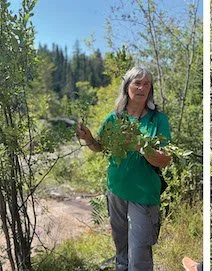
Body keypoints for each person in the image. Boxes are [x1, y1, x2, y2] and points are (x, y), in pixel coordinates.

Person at [76, 66, 172, 271]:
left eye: (147, 84)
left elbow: (165, 160)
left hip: (144, 194)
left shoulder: (158, 120)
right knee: (122, 249)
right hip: (116, 190)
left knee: (139, 255)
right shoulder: (115, 118)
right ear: (127, 87)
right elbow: (100, 147)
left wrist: (141, 146)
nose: (142, 87)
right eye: (137, 83)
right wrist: (88, 138)